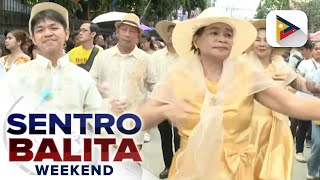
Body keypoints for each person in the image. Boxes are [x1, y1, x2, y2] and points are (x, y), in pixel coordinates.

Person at [138, 7, 320, 179]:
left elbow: (291, 104)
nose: (222, 38)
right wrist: (163, 111)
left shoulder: (247, 75)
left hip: (236, 172)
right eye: (214, 33)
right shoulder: (178, 76)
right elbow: (141, 119)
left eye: (228, 34)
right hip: (191, 171)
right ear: (196, 39)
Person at [246, 19, 319, 180]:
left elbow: (302, 83)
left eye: (266, 40)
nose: (262, 43)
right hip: (249, 129)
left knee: (275, 173)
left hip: (277, 129)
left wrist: (317, 87)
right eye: (257, 39)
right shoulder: (242, 67)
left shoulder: (281, 66)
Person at [1, 2, 102, 114]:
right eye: (40, 30)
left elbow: (97, 120)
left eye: (54, 28)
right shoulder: (17, 76)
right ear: (33, 38)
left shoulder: (83, 78)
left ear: (66, 33)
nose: (47, 33)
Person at [89, 13, 156, 150]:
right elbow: (90, 82)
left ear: (138, 36)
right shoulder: (103, 57)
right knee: (106, 167)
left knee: (131, 167)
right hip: (106, 124)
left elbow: (154, 86)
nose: (127, 34)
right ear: (117, 32)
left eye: (132, 31)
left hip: (133, 125)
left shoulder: (146, 60)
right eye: (124, 30)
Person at [152, 20, 181, 179]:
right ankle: (168, 165)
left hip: (181, 104)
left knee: (179, 137)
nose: (171, 34)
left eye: (175, 31)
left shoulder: (188, 57)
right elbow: (151, 80)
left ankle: (178, 166)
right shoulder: (156, 57)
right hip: (161, 103)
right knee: (165, 137)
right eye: (169, 31)